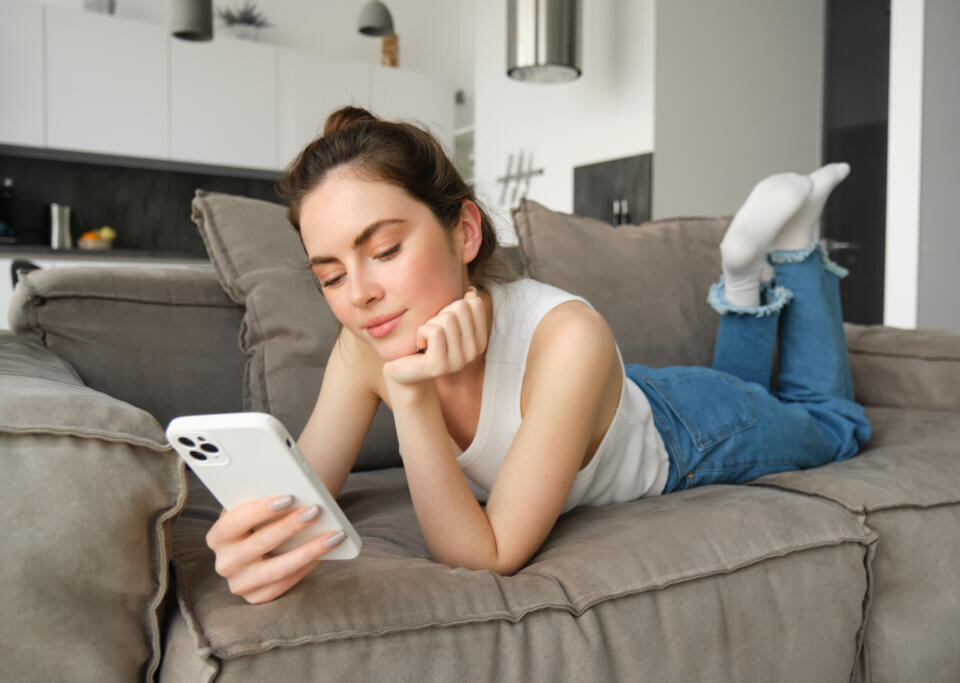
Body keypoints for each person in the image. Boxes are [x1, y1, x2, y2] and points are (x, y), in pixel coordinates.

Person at [203, 106, 871, 604]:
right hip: (594, 403)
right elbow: (299, 498)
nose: (362, 296)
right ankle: (744, 276)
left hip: (684, 427)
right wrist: (245, 541)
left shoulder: (567, 334)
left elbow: (487, 553)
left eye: (383, 250)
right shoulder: (363, 346)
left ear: (464, 231)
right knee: (751, 391)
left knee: (833, 423)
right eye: (331, 275)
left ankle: (795, 245)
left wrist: (409, 395)